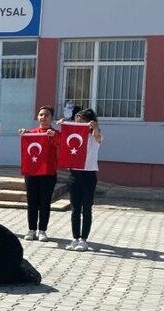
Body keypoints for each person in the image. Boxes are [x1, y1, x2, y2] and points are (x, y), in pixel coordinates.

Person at [18, 106, 60, 242]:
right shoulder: (32, 133)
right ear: (38, 117)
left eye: (47, 115)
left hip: (48, 173)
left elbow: (60, 144)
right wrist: (24, 133)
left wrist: (53, 137)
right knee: (32, 202)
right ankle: (31, 229)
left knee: (45, 202)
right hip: (32, 172)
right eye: (41, 115)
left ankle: (42, 230)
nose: (43, 117)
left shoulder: (55, 133)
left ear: (51, 118)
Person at [63, 108, 102, 252]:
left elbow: (98, 137)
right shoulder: (74, 137)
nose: (78, 125)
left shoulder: (94, 137)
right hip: (74, 174)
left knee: (86, 208)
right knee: (75, 208)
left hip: (89, 174)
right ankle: (75, 238)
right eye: (76, 122)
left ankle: (84, 239)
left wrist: (95, 128)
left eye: (81, 123)